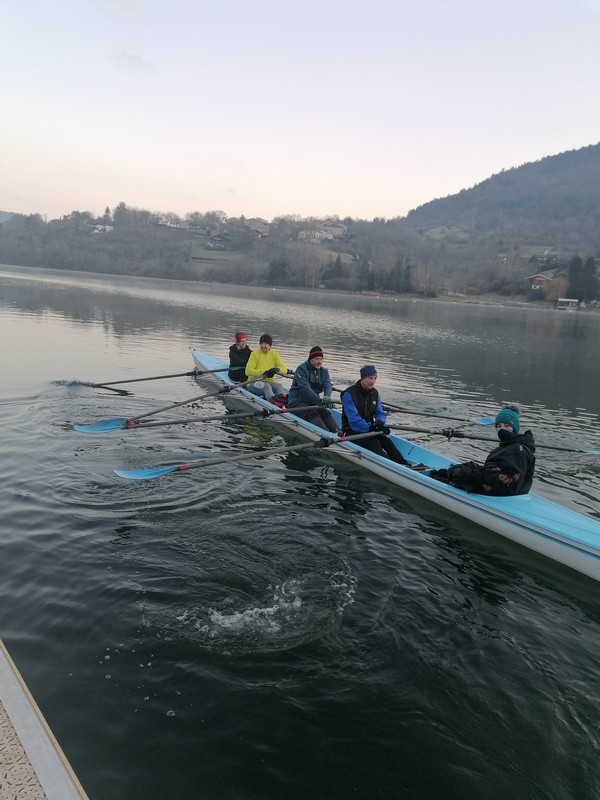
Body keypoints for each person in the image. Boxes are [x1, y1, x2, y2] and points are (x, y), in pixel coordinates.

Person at [428, 405, 536, 496]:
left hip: (501, 495)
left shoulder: (517, 450)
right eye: (499, 426)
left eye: (507, 426)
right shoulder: (510, 446)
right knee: (454, 471)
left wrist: (475, 477)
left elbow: (509, 483)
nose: (502, 428)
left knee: (456, 475)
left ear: (515, 428)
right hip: (500, 491)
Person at [340, 365, 409, 465]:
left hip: (369, 429)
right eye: (370, 378)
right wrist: (372, 428)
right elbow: (354, 420)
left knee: (387, 442)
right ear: (362, 378)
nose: (372, 381)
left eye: (375, 378)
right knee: (374, 444)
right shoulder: (348, 394)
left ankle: (405, 465)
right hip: (352, 431)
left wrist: (380, 422)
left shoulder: (375, 393)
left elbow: (380, 412)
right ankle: (392, 466)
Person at [287, 346, 340, 433]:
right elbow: (305, 389)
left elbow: (327, 385)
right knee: (313, 413)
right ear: (310, 359)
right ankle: (326, 433)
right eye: (317, 359)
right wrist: (321, 401)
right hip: (297, 402)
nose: (319, 362)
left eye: (321, 359)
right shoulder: (301, 369)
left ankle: (339, 433)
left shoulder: (324, 371)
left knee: (326, 413)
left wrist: (327, 398)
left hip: (313, 402)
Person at [245, 333, 291, 401]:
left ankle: (286, 403)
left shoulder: (274, 354)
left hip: (269, 381)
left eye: (266, 343)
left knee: (279, 386)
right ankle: (274, 404)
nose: (263, 346)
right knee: (267, 387)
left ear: (270, 345)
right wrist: (263, 373)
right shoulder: (254, 354)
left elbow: (284, 369)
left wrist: (277, 369)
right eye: (261, 343)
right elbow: (248, 371)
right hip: (254, 382)